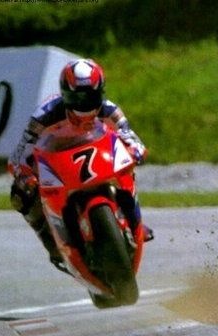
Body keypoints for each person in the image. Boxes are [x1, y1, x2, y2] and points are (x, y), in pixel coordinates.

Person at [8, 58, 152, 271]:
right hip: (59, 162)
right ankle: (52, 243)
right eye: (76, 98)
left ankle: (133, 221)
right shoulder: (44, 116)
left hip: (98, 159)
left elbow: (130, 137)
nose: (84, 104)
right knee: (20, 194)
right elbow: (19, 155)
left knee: (127, 166)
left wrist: (135, 151)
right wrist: (25, 174)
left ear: (101, 92)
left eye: (91, 96)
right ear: (64, 94)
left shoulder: (110, 110)